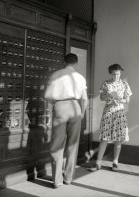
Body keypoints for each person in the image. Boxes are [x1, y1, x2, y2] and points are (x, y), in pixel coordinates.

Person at [44, 53, 88, 188]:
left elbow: (47, 97)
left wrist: (52, 108)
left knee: (57, 144)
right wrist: (82, 113)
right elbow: (85, 99)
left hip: (60, 107)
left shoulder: (55, 75)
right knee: (73, 145)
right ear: (76, 63)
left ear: (64, 61)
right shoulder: (80, 77)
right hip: (75, 107)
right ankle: (68, 178)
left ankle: (57, 181)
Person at [89, 63, 132, 172]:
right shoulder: (106, 84)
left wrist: (120, 99)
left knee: (119, 138)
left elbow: (127, 100)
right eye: (113, 74)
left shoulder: (125, 84)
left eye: (117, 74)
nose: (116, 76)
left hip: (120, 111)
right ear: (110, 74)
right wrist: (109, 96)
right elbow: (102, 98)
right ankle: (98, 163)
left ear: (120, 72)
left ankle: (115, 162)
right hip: (108, 111)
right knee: (105, 138)